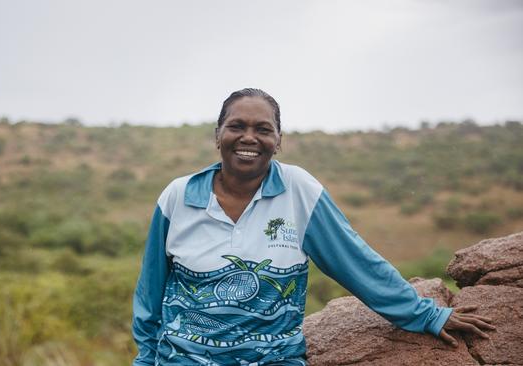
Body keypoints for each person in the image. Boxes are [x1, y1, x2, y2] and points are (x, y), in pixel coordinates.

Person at [131, 88, 495, 365]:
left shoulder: (299, 191)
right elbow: (150, 295)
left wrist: (426, 315)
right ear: (217, 135)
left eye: (263, 129)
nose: (248, 138)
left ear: (278, 141)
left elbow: (356, 263)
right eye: (236, 126)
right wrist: (146, 359)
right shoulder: (179, 197)